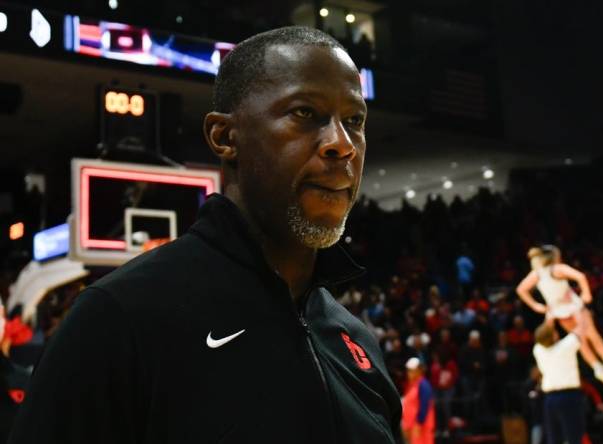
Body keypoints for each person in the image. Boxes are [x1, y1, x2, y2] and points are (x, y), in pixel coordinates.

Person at [9, 26, 402, 443]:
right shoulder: (116, 320)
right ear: (224, 136)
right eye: (305, 113)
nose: (342, 144)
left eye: (354, 120)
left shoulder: (357, 342)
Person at [517, 245, 603, 385]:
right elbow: (581, 276)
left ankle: (597, 368)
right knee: (591, 334)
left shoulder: (537, 273)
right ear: (555, 256)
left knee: (580, 341)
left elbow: (521, 289)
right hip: (572, 307)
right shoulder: (557, 268)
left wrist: (537, 306)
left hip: (559, 311)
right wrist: (586, 293)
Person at [532, 312, 588, 444]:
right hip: (569, 397)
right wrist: (579, 310)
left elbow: (545, 332)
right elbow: (582, 327)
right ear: (554, 335)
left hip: (550, 399)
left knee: (554, 439)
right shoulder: (565, 347)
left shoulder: (538, 350)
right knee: (574, 436)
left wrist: (551, 315)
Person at [402, 357, 436, 444]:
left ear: (420, 370)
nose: (409, 373)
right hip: (411, 428)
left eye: (412, 370)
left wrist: (418, 424)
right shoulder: (411, 385)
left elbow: (424, 406)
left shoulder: (424, 385)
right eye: (408, 370)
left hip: (420, 428)